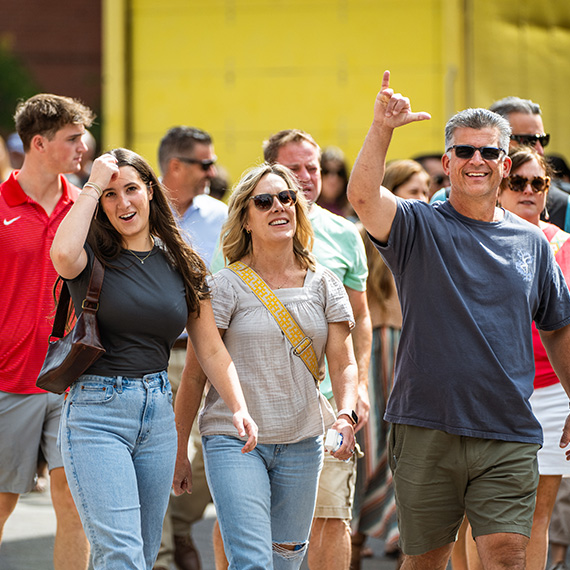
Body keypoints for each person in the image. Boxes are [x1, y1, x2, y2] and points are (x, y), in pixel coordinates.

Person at [347, 70, 570, 570]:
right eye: (465, 151)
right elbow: (363, 197)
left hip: (507, 427)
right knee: (428, 559)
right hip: (428, 424)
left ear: (504, 164)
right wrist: (382, 126)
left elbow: (557, 325)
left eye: (489, 152)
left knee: (507, 555)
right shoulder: (418, 225)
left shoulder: (532, 242)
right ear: (447, 162)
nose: (477, 161)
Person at [50, 148, 257, 570]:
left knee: (141, 556)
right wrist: (92, 184)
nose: (122, 203)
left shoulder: (181, 262)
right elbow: (61, 256)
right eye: (110, 195)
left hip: (158, 413)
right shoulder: (90, 257)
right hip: (96, 413)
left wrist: (239, 406)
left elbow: (211, 347)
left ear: (150, 191)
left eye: (131, 189)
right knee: (120, 554)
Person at [173, 162, 358, 570]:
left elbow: (344, 362)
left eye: (287, 198)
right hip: (234, 440)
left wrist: (345, 414)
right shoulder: (222, 287)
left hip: (303, 441)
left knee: (287, 562)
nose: (279, 206)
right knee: (253, 562)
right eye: (264, 200)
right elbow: (194, 375)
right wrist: (179, 450)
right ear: (246, 219)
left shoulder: (324, 283)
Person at [264, 129, 372, 570]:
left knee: (329, 518)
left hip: (327, 405)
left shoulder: (345, 235)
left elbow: (359, 317)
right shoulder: (241, 234)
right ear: (270, 171)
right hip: (259, 403)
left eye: (314, 168)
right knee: (249, 522)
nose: (308, 177)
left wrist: (359, 384)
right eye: (295, 168)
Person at [0, 93, 94, 570]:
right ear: (39, 143)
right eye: (72, 138)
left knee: (74, 504)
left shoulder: (84, 207)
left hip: (69, 379)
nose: (84, 146)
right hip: (6, 380)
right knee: (1, 504)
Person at [155, 125, 228, 570]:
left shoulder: (221, 217)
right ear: (175, 166)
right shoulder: (135, 211)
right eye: (204, 163)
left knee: (203, 461)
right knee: (158, 453)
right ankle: (162, 557)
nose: (213, 172)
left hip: (205, 352)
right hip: (151, 354)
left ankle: (179, 527)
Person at [351, 158, 429, 570]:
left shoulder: (426, 237)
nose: (424, 198)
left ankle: (401, 540)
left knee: (406, 450)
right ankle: (357, 536)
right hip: (381, 349)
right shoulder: (371, 239)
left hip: (414, 351)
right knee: (374, 447)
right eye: (414, 190)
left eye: (426, 189)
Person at [496, 147, 570, 569]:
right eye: (517, 182)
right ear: (500, 185)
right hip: (496, 390)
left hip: (553, 391)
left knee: (536, 515)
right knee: (487, 518)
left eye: (537, 183)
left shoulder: (565, 245)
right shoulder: (481, 236)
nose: (528, 190)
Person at [317, 146, 355, 218]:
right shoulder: (307, 210)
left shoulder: (355, 210)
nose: (333, 179)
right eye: (326, 171)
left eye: (339, 173)